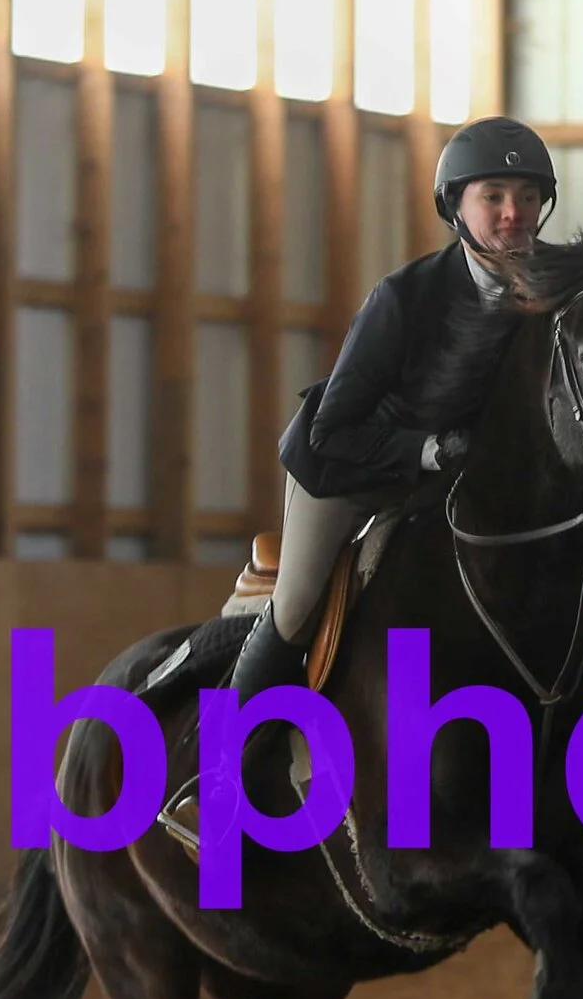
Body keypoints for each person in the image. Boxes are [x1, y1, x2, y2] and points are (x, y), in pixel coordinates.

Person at [225, 116, 559, 702]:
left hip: (461, 482)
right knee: (296, 607)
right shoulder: (404, 297)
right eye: (494, 197)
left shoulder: (552, 292)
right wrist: (428, 450)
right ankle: (229, 744)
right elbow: (332, 430)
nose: (515, 212)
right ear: (456, 206)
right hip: (352, 468)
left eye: (528, 197)